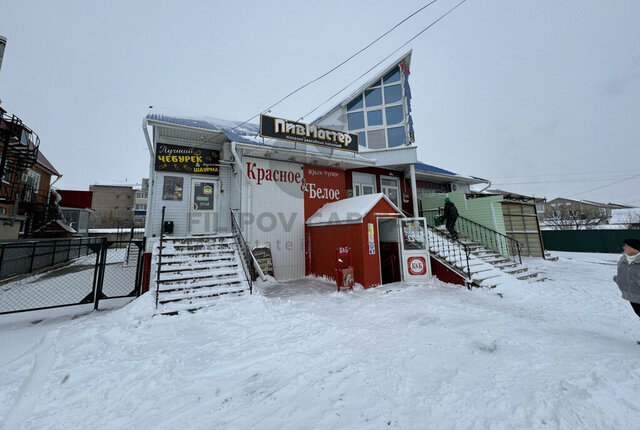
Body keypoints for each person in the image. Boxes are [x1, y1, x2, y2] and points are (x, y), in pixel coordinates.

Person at [614, 238, 640, 321]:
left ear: (634, 248)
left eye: (626, 246)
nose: (623, 248)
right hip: (631, 296)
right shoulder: (623, 258)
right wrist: (618, 279)